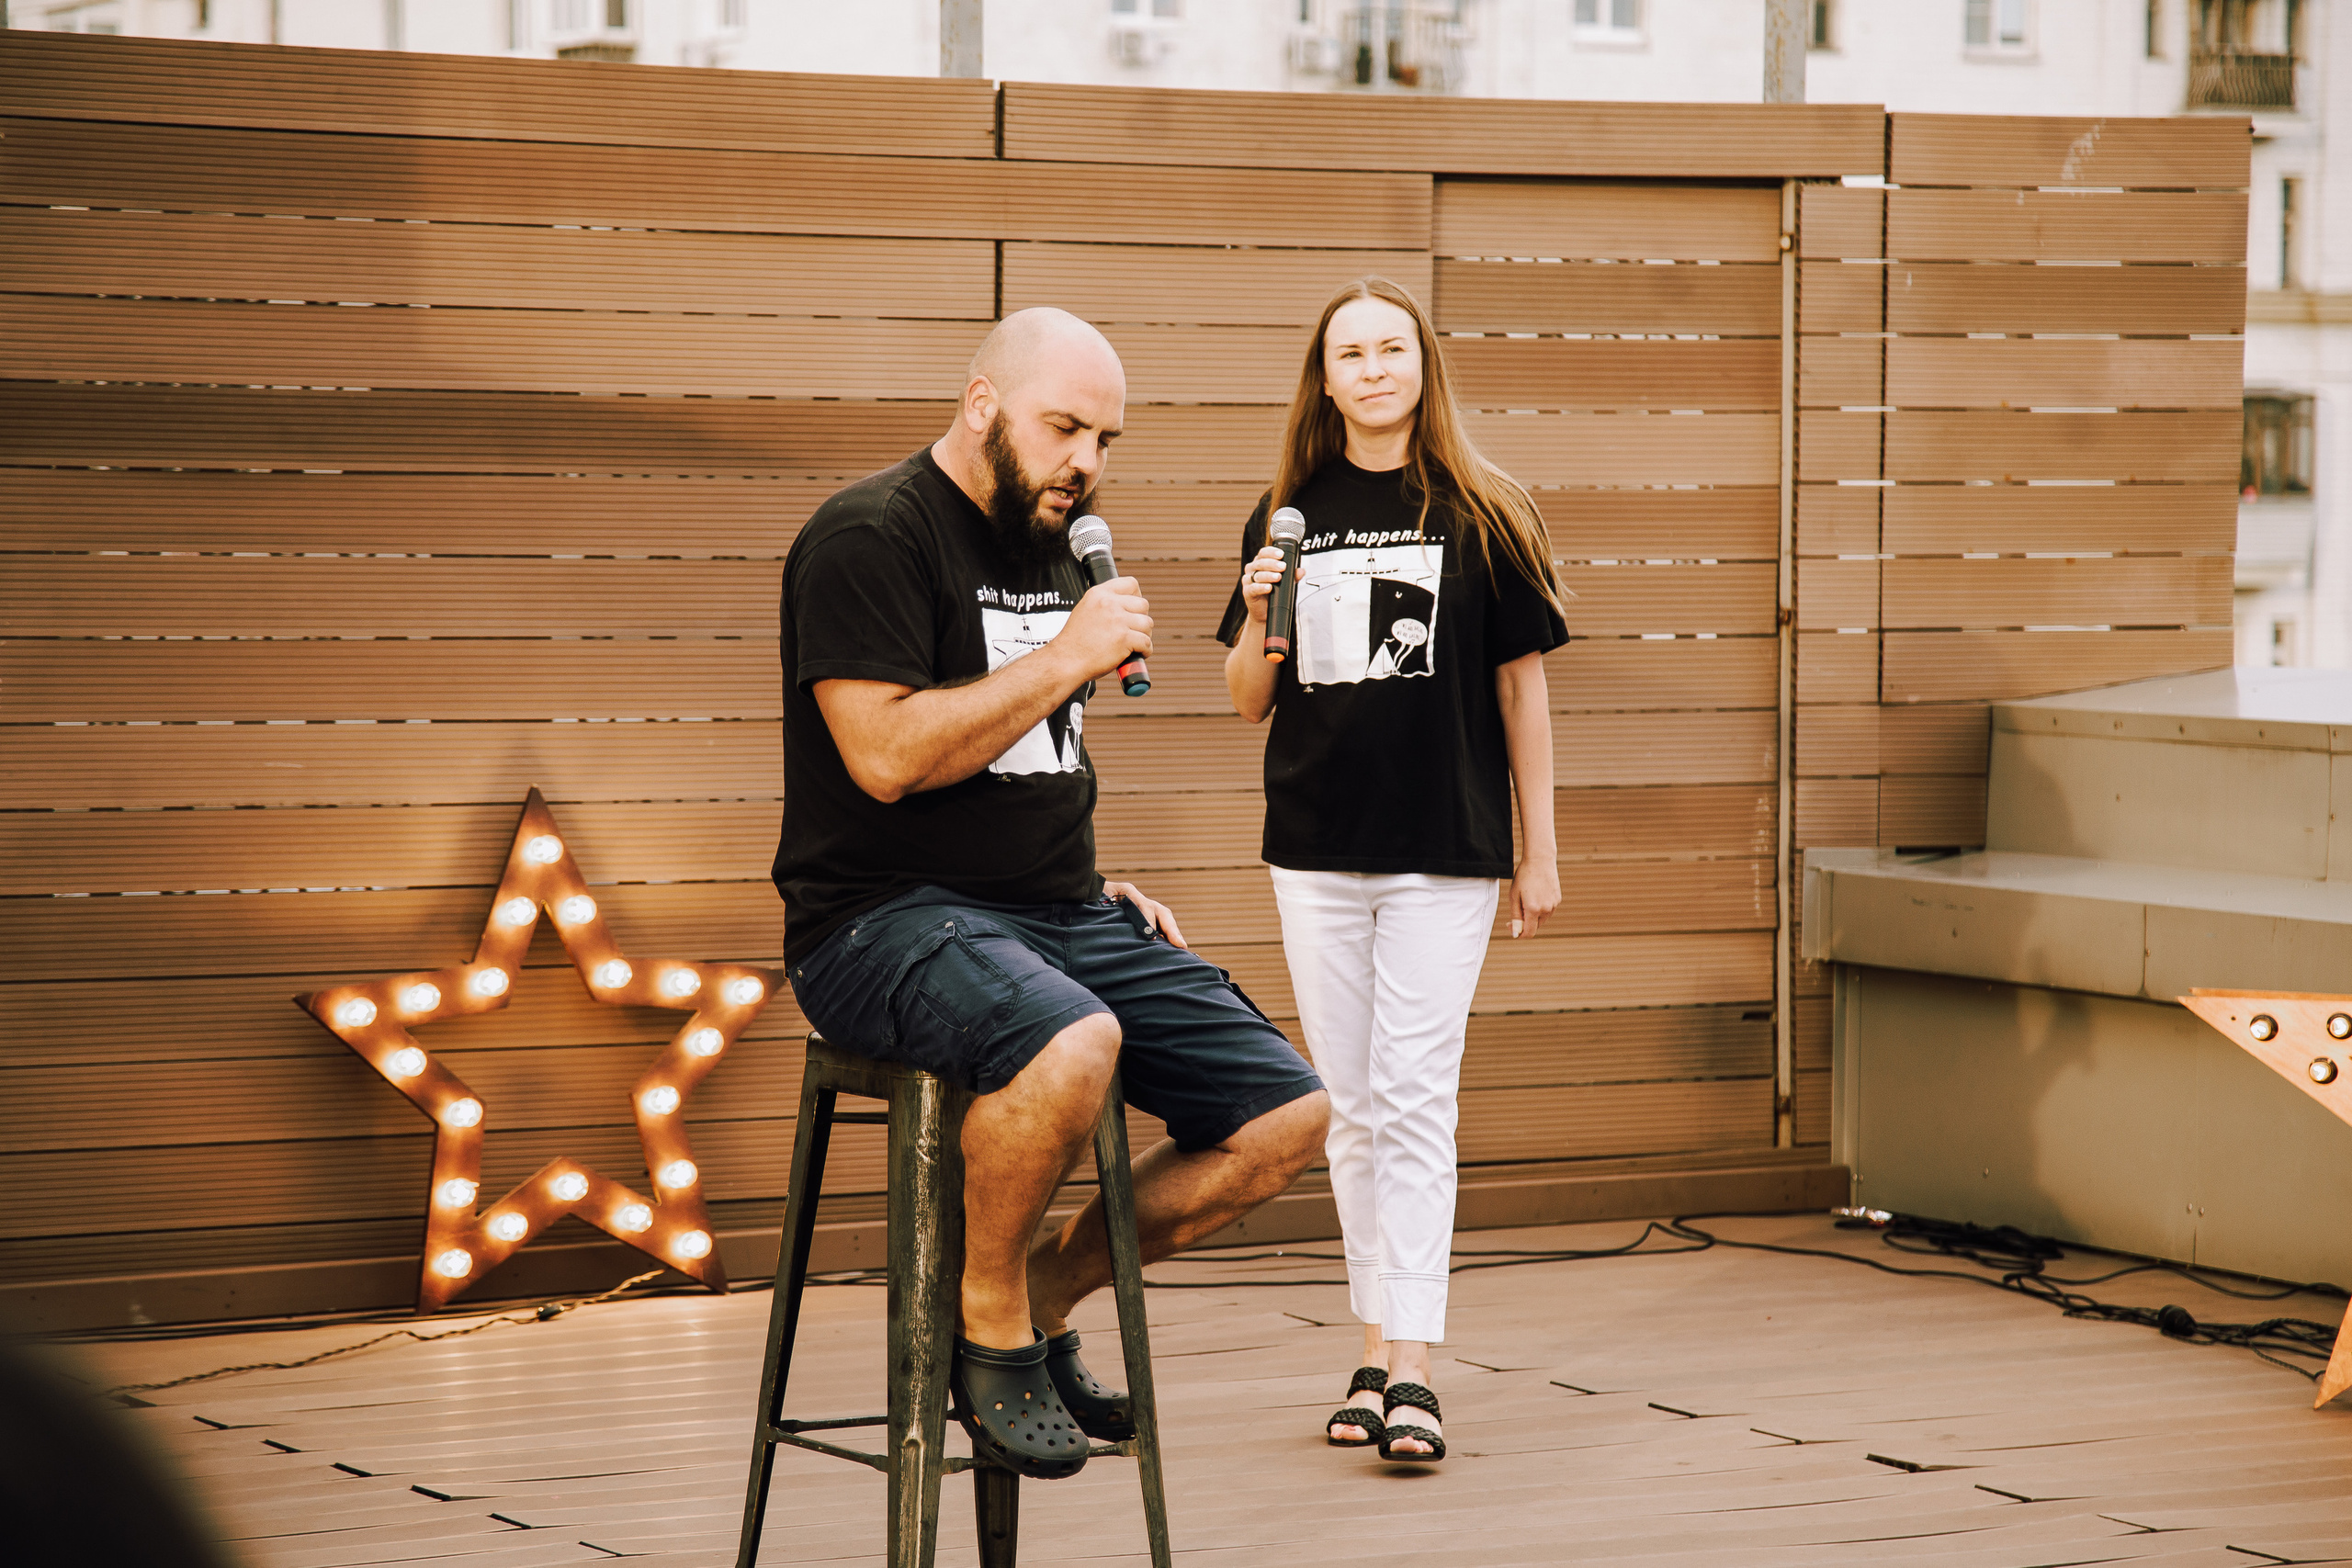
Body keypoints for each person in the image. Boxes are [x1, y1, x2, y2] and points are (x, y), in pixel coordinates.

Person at [775, 307, 1330, 1482]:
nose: (1086, 462)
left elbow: (1037, 757)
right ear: (983, 403)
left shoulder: (1052, 539)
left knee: (1289, 1117)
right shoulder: (869, 538)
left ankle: (1040, 1289)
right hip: (877, 921)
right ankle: (980, 1334)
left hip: (1049, 913)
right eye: (1064, 426)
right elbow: (884, 757)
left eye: (1106, 440)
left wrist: (1083, 883)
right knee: (1072, 1041)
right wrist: (1067, 655)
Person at [1217, 277, 1567, 1464]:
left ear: (1423, 364)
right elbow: (1249, 697)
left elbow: (1523, 687)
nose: (1371, 368)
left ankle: (1416, 1363)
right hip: (1314, 848)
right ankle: (1372, 1345)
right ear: (1323, 379)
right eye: (1348, 353)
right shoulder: (1285, 510)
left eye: (1391, 348)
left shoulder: (1488, 508)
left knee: (1418, 1098)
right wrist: (1257, 606)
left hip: (1444, 847)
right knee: (1353, 1107)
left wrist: (1541, 847)